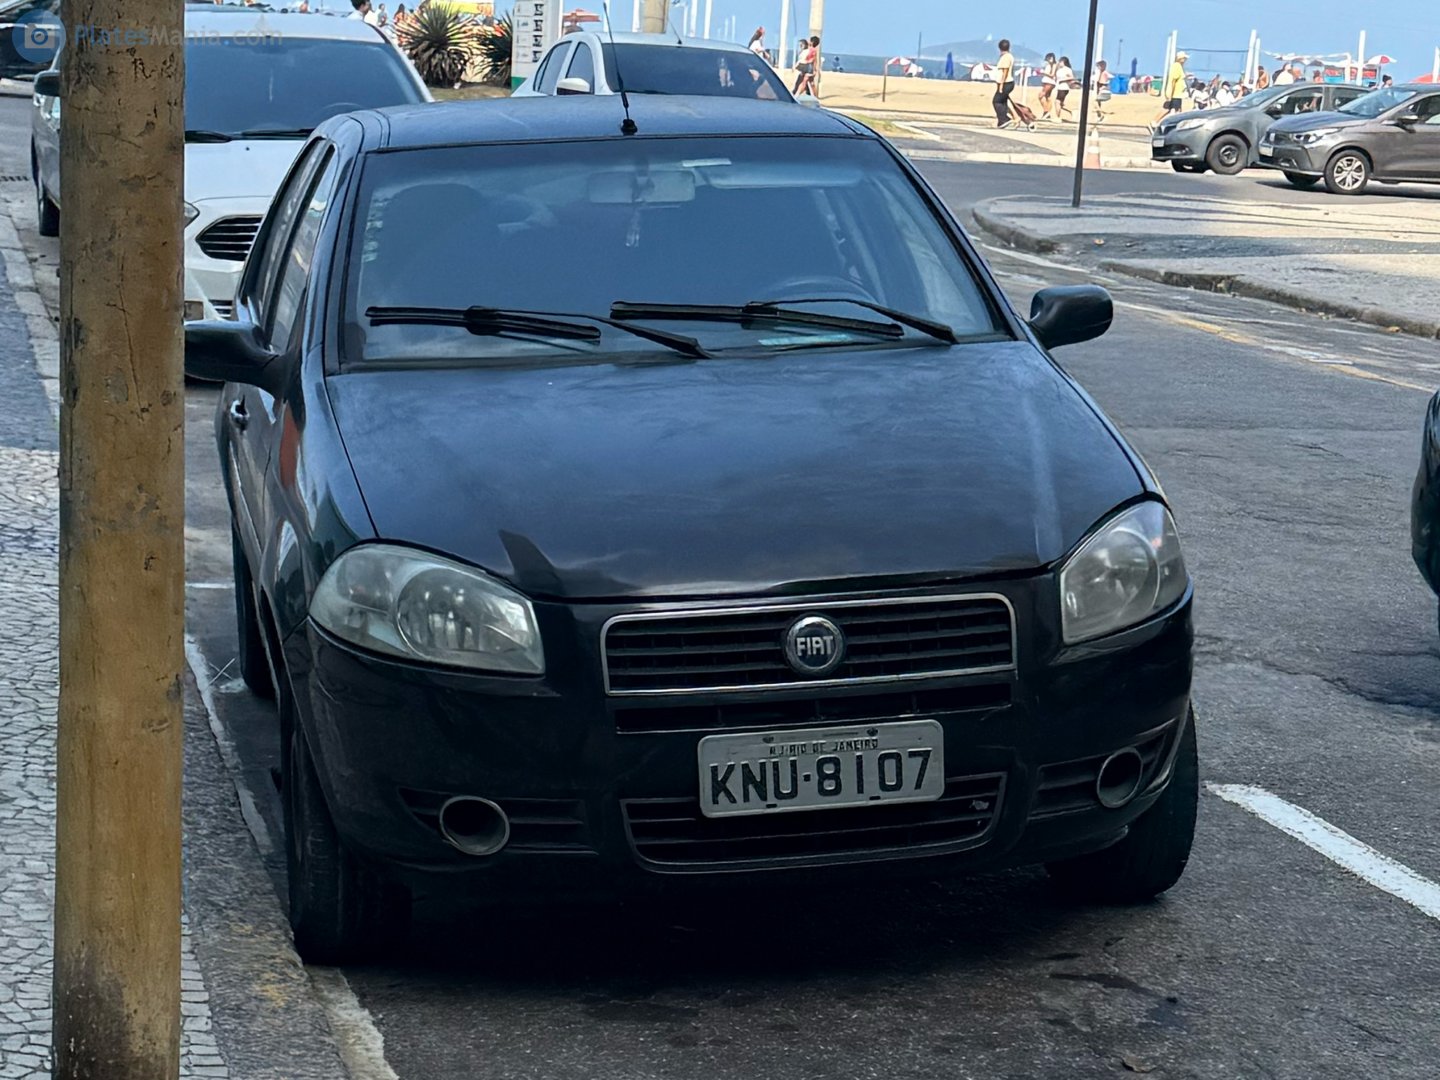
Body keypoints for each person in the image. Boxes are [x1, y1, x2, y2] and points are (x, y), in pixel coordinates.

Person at [1152, 49, 1188, 129]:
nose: (1185, 60)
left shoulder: (1178, 67)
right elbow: (1173, 81)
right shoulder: (1177, 66)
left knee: (1172, 110)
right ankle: (1162, 125)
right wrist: (1170, 93)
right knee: (1174, 112)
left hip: (1177, 93)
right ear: (1180, 58)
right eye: (1184, 58)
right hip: (1176, 93)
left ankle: (1158, 123)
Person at [992, 39, 1015, 128]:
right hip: (1007, 82)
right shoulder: (1008, 56)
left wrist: (1001, 85)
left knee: (996, 101)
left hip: (1006, 83)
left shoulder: (1006, 57)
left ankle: (1004, 119)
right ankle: (1002, 121)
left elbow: (1005, 71)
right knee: (1003, 102)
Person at [1053, 55, 1076, 120]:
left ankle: (1057, 117)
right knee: (1061, 104)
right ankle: (1072, 112)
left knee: (1057, 102)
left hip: (1064, 87)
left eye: (1060, 62)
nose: (1059, 63)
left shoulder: (1067, 69)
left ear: (1063, 62)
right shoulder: (1060, 69)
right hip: (1059, 87)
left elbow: (1072, 77)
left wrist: (1063, 80)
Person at [1038, 52, 1058, 119]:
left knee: (1041, 95)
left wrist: (1044, 73)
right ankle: (1047, 113)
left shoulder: (1054, 65)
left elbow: (1052, 75)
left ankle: (1046, 111)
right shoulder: (1048, 65)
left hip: (1049, 82)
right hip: (1047, 81)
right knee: (1048, 97)